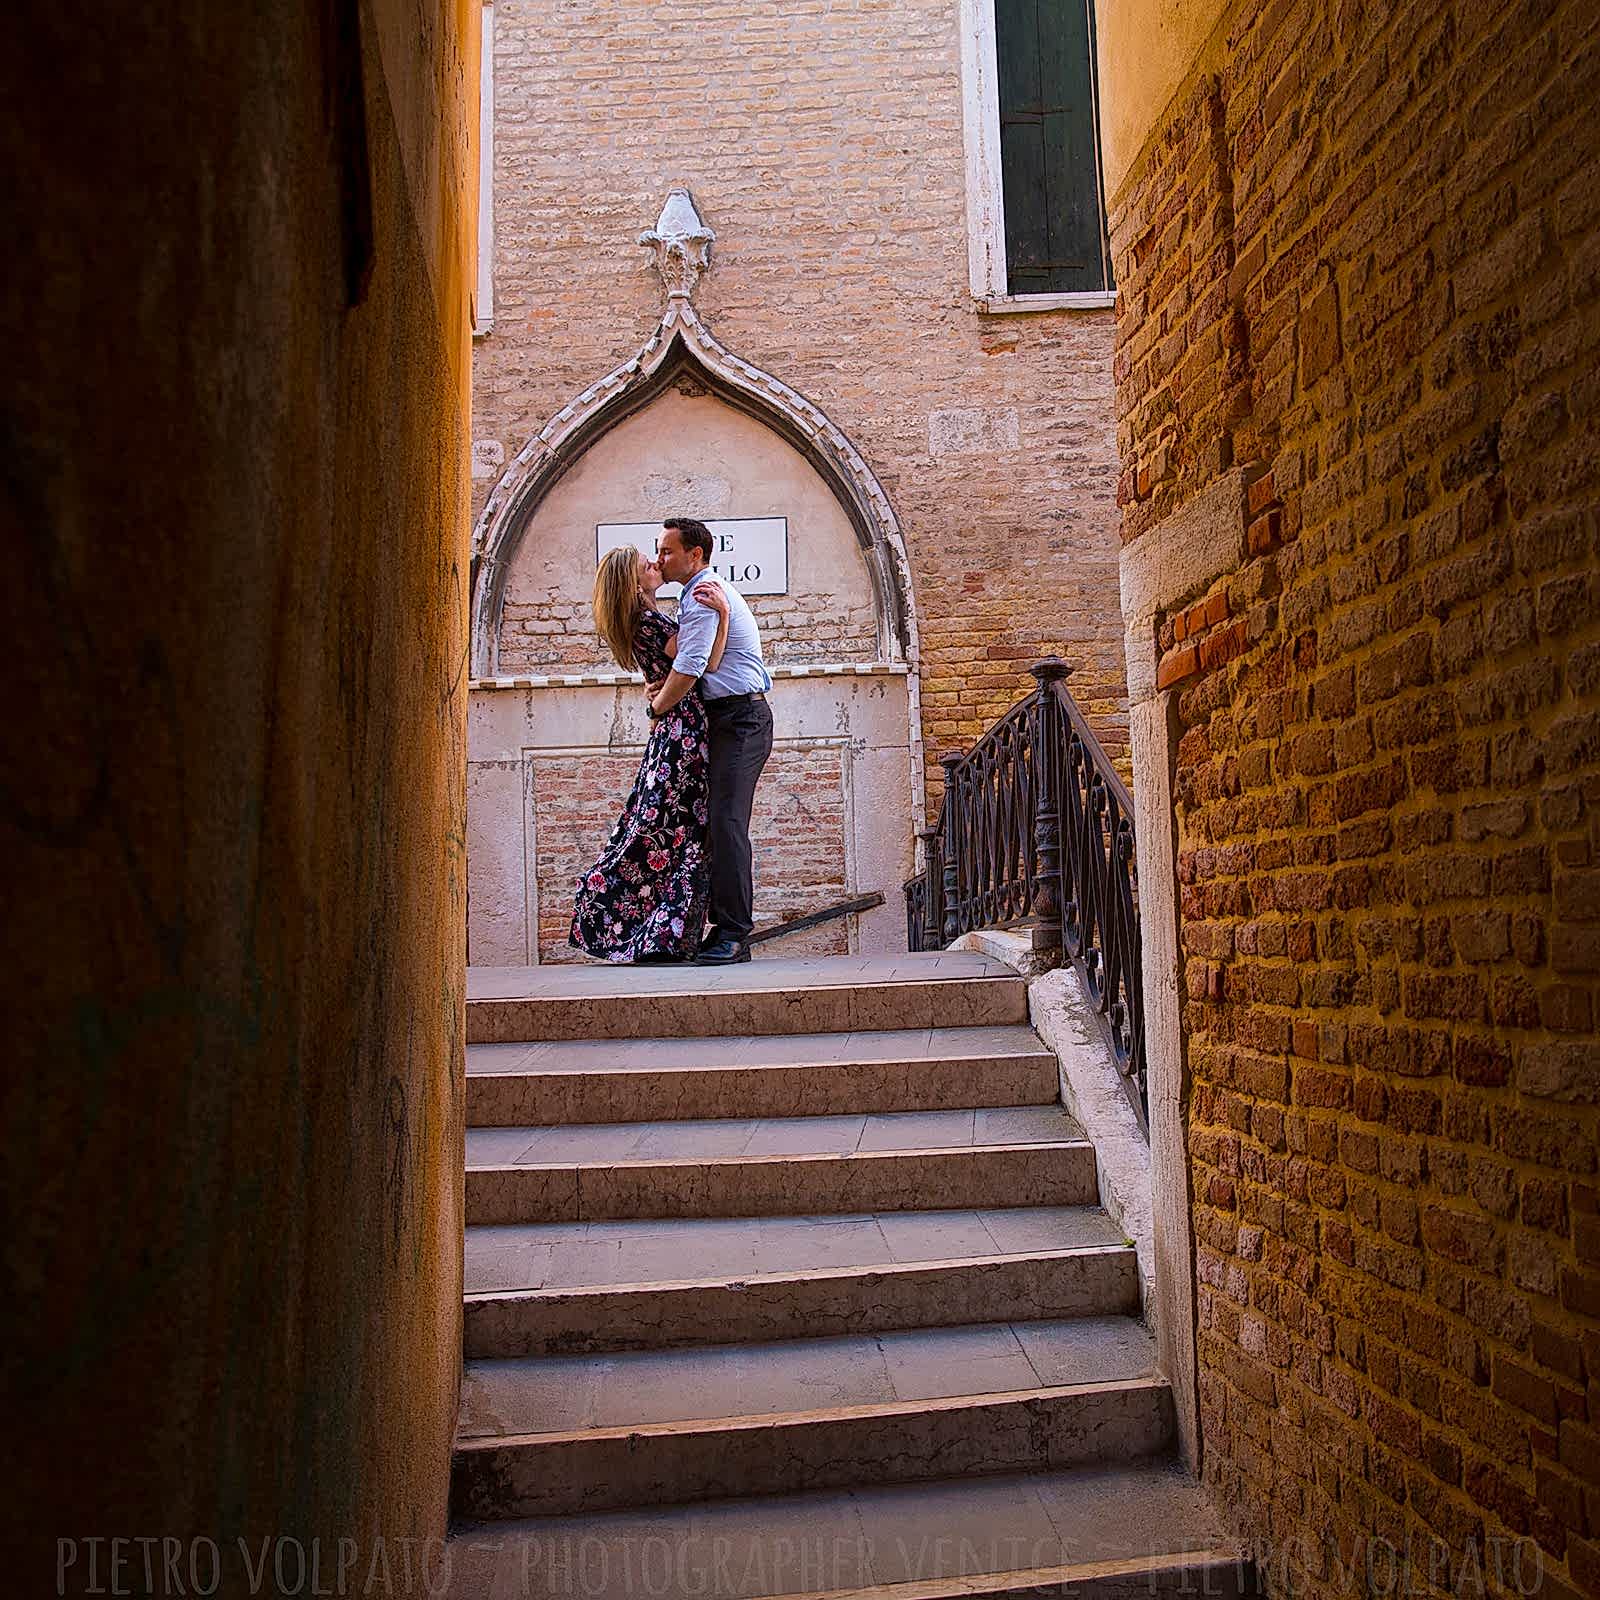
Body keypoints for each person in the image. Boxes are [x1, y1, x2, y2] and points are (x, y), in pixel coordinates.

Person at [569, 544, 730, 963]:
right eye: (647, 565)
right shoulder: (648, 623)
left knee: (672, 828)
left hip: (677, 730)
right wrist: (724, 616)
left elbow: (701, 664)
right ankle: (637, 921)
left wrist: (724, 616)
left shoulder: (648, 620)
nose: (655, 565)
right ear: (633, 581)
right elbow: (704, 665)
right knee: (674, 829)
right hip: (682, 733)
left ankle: (665, 933)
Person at [649, 516, 774, 965]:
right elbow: (704, 658)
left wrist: (656, 707)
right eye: (659, 551)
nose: (661, 558)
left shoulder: (703, 596)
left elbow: (692, 665)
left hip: (741, 720)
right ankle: (716, 928)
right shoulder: (697, 596)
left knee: (726, 822)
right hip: (723, 720)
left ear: (694, 554)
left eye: (667, 551)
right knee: (714, 823)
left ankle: (734, 934)